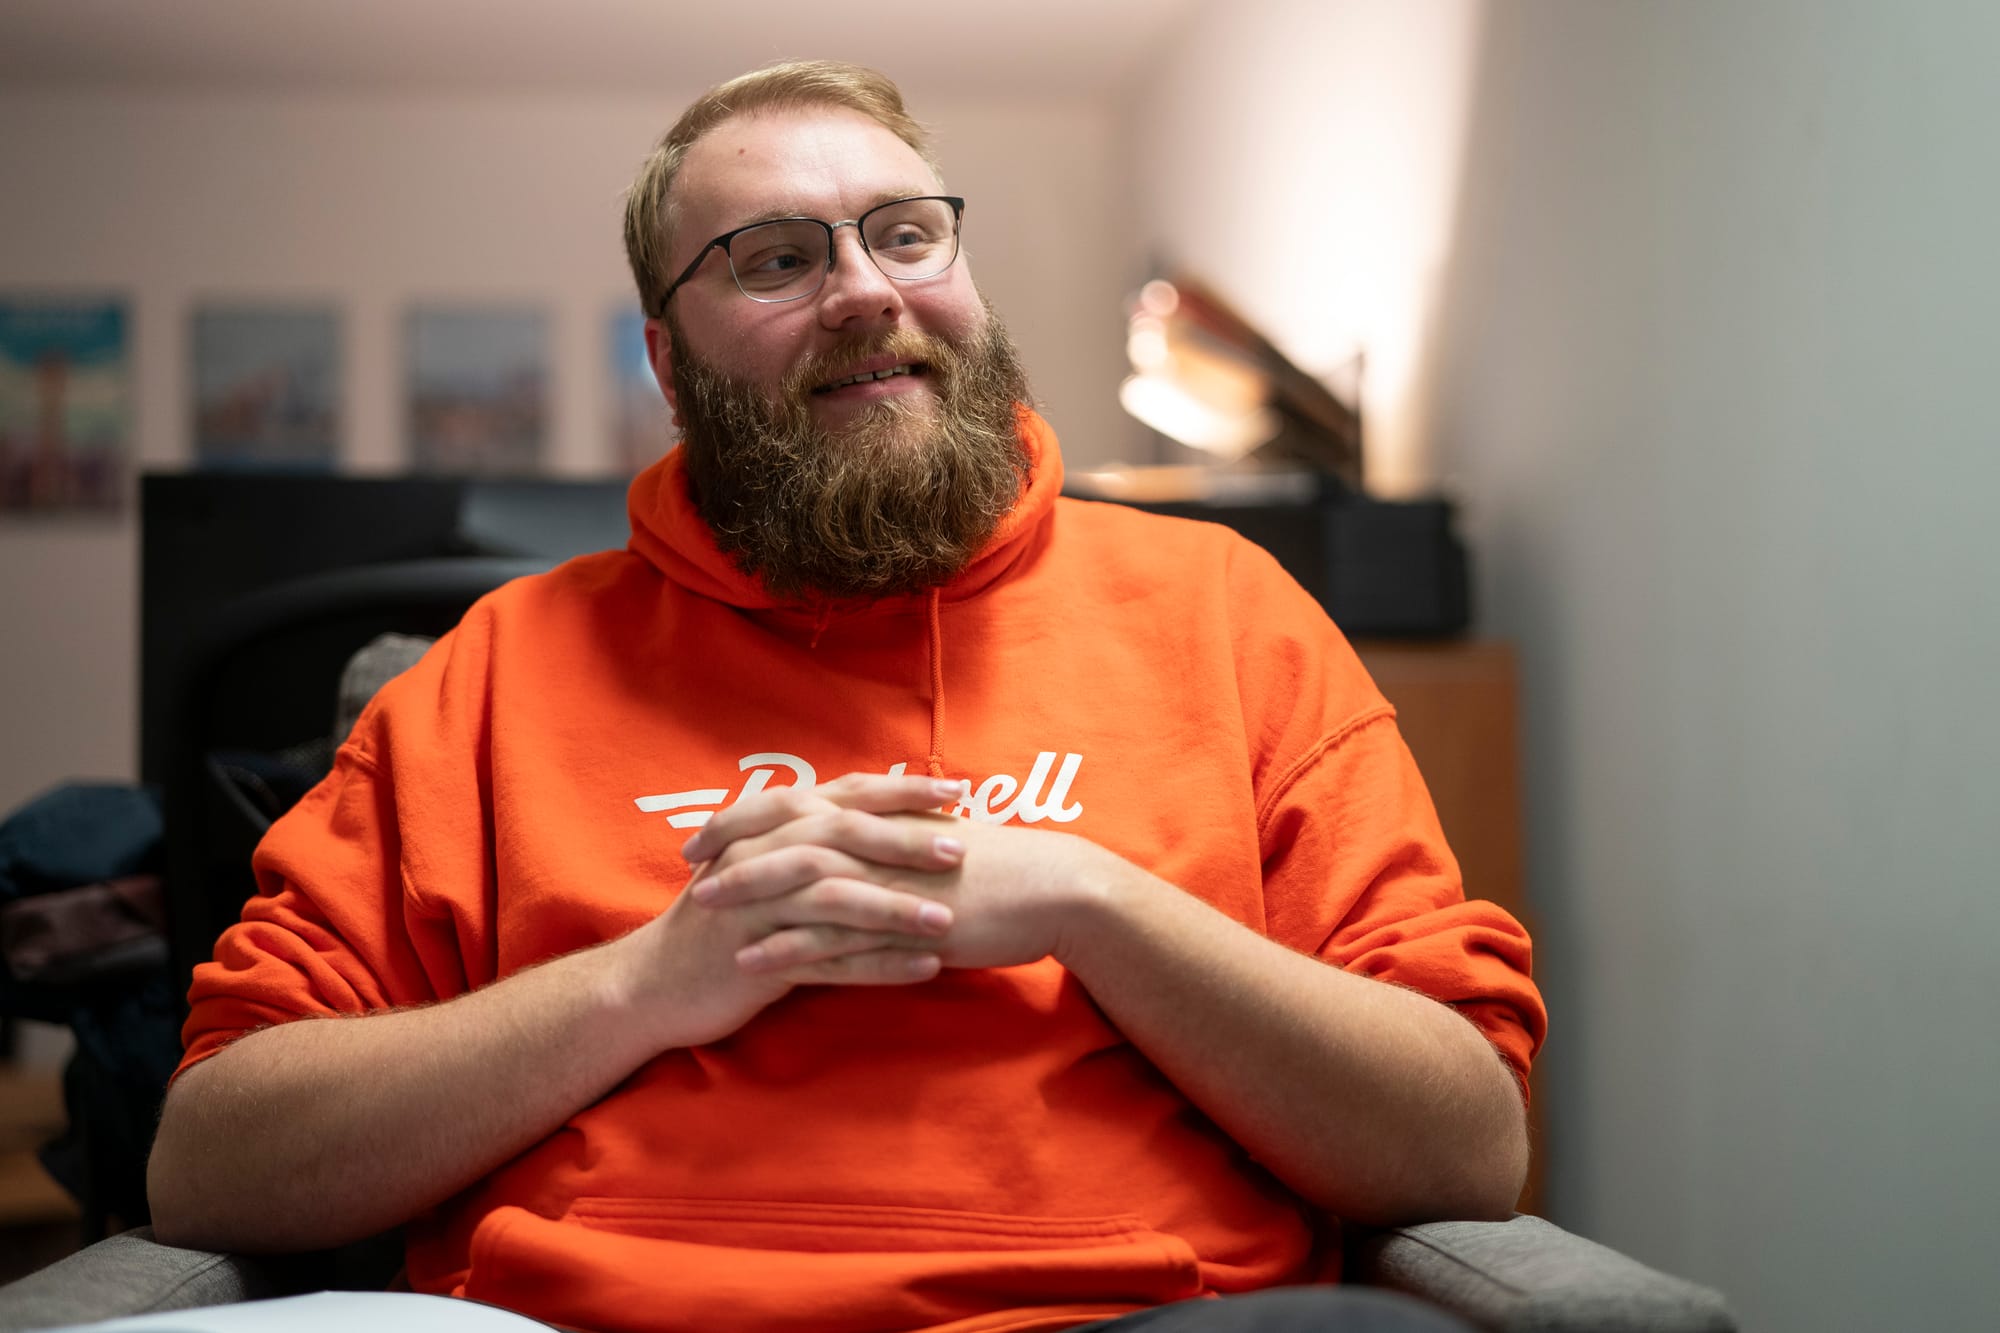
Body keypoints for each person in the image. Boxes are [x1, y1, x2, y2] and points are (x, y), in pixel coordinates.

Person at [146, 60, 1545, 1333]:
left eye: (906, 231)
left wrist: (1088, 900)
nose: (867, 287)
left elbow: (1465, 1143)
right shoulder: (492, 675)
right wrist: (651, 980)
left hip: (1134, 1312)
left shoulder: (1223, 613)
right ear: (669, 359)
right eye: (775, 258)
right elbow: (214, 1162)